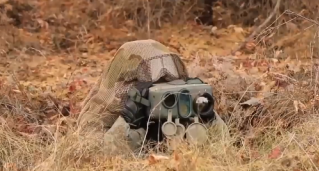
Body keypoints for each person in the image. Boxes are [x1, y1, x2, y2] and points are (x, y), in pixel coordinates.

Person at [77, 39, 228, 154]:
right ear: (126, 82)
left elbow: (222, 144)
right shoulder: (99, 112)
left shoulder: (177, 101)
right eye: (150, 83)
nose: (160, 88)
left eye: (167, 81)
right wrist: (127, 121)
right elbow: (96, 154)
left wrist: (208, 118)